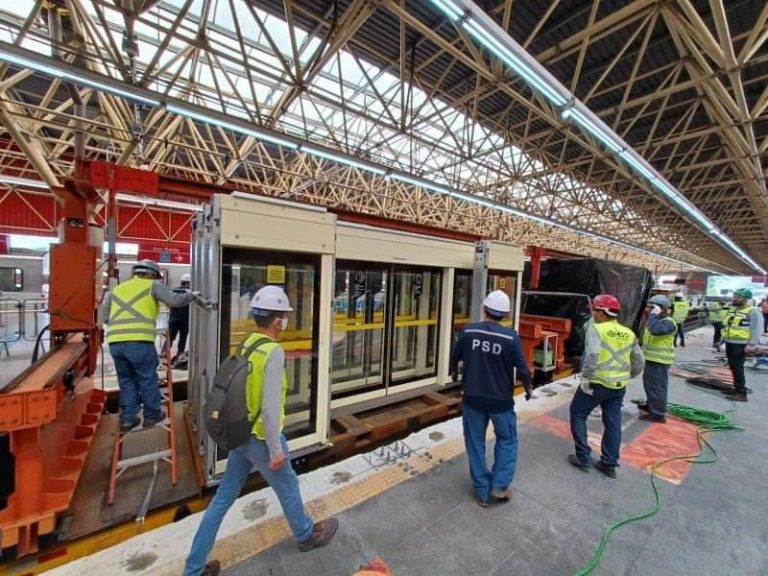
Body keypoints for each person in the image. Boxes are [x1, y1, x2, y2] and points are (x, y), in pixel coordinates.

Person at [183, 286, 338, 576]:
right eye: (283, 316)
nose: (285, 322)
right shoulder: (273, 352)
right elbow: (269, 407)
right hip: (262, 438)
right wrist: (276, 450)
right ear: (277, 320)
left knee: (223, 499)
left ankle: (193, 569)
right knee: (288, 486)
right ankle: (306, 535)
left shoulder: (247, 344)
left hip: (240, 435)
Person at [450, 290, 532, 507]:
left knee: (475, 443)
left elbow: (454, 356)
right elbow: (523, 368)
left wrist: (454, 373)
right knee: (507, 440)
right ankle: (499, 485)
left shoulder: (468, 331)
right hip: (500, 402)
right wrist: (528, 387)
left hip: (473, 399)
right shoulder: (510, 337)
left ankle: (482, 493)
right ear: (505, 315)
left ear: (484, 309)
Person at [103, 260, 199, 433]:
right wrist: (192, 295)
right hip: (139, 343)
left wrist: (120, 329)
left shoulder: (116, 290)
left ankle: (128, 419)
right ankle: (152, 414)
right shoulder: (152, 286)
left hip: (115, 344)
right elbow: (176, 300)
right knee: (147, 378)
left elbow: (104, 315)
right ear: (152, 274)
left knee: (126, 381)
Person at [568, 294, 644, 479]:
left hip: (597, 383)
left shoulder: (597, 329)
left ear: (602, 312)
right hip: (618, 387)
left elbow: (592, 355)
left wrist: (586, 379)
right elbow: (639, 361)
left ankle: (583, 457)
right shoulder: (628, 333)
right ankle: (609, 464)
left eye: (595, 310)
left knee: (578, 413)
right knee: (613, 423)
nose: (593, 313)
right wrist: (629, 375)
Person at [638, 295, 677, 423]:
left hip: (660, 361)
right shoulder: (655, 320)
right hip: (652, 359)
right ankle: (651, 405)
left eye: (653, 307)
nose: (649, 310)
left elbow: (655, 331)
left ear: (662, 309)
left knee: (657, 387)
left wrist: (654, 315)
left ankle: (658, 414)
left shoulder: (668, 323)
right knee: (650, 385)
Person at [720, 288, 764, 402]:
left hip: (741, 344)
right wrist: (721, 340)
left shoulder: (753, 311)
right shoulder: (732, 310)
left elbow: (757, 329)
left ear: (746, 299)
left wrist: (752, 344)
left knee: (738, 367)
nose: (735, 298)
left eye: (738, 297)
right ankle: (736, 388)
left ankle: (741, 393)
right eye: (734, 296)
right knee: (732, 366)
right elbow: (727, 327)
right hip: (730, 342)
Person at [168, 273, 191, 362]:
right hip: (185, 320)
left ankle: (164, 355)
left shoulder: (173, 290)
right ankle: (179, 355)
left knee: (170, 337)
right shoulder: (190, 292)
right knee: (183, 338)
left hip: (173, 319)